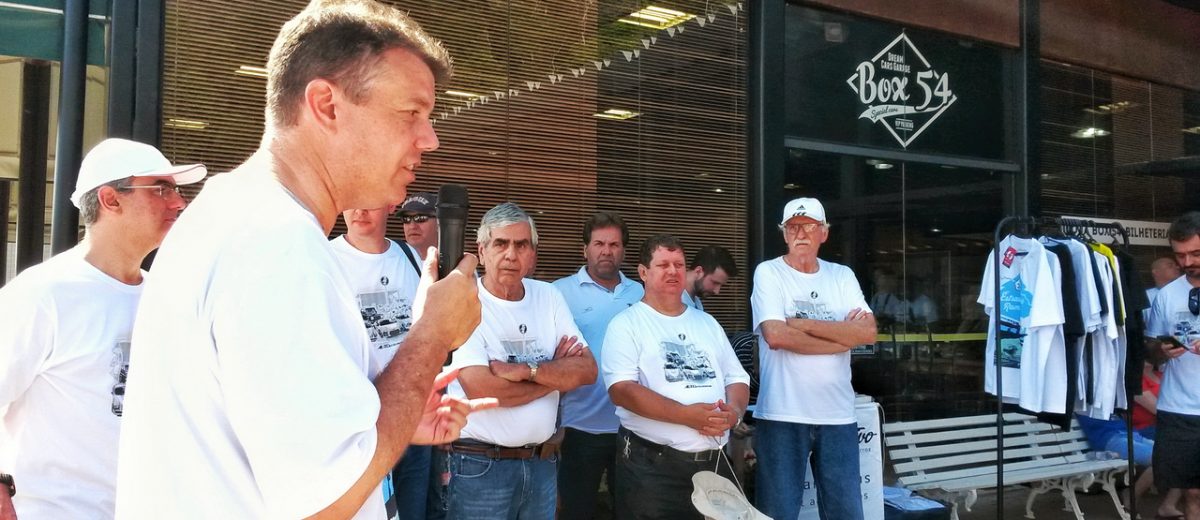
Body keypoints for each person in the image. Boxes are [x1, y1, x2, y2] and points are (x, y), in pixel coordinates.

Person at [114, 2, 496, 518]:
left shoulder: (232, 212)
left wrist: (387, 416)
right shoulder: (278, 243)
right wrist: (432, 335)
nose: (429, 139)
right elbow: (325, 504)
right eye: (411, 112)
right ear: (326, 105)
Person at [0, 138, 203, 518]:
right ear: (110, 199)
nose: (179, 202)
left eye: (176, 190)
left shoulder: (167, 296)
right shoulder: (44, 294)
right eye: (161, 189)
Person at [444, 203, 597, 520]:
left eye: (521, 245)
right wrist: (555, 376)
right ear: (482, 251)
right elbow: (482, 390)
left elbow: (587, 370)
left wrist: (524, 371)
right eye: (501, 244)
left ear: (532, 255)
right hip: (481, 466)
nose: (511, 255)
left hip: (541, 463)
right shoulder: (464, 301)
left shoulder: (548, 296)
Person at [602, 234, 750, 520]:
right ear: (643, 272)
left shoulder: (707, 323)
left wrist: (734, 412)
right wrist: (686, 415)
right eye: (663, 265)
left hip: (713, 464)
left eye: (679, 265)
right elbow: (622, 390)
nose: (673, 271)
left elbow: (736, 378)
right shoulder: (626, 325)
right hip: (654, 470)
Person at [751, 197, 877, 520]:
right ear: (784, 233)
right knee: (777, 513)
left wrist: (803, 324)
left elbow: (867, 332)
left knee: (847, 513)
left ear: (824, 233)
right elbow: (776, 336)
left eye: (809, 226)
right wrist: (841, 338)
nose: (801, 233)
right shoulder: (769, 273)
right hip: (782, 415)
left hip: (837, 416)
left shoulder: (842, 276)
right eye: (793, 227)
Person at [331, 204, 430, 520]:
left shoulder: (410, 257)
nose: (358, 210)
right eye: (352, 200)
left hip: (413, 418)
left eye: (369, 201)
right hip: (359, 426)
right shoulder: (326, 259)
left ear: (390, 204)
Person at [552, 211, 645, 519]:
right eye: (599, 244)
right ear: (585, 249)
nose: (607, 251)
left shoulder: (642, 294)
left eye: (614, 245)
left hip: (632, 427)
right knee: (576, 511)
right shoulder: (558, 293)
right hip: (577, 426)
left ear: (624, 252)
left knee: (631, 512)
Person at [1146, 211, 1200, 520]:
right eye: (1180, 255)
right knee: (1192, 492)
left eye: (1196, 253)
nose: (1188, 262)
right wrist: (1162, 350)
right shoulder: (1166, 296)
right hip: (1179, 410)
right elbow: (1152, 350)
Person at [682, 244, 738, 310]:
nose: (717, 291)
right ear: (698, 272)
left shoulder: (696, 303)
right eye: (715, 283)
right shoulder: (674, 303)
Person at [400, 191, 438, 261]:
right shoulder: (393, 263)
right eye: (406, 219)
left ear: (438, 223)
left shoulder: (454, 264)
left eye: (420, 218)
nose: (412, 226)